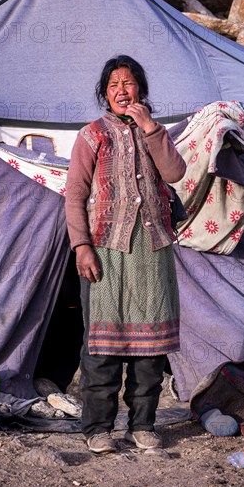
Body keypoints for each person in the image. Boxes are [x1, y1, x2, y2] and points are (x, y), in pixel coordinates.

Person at [65, 55, 186, 454]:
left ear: (140, 91)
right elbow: (76, 195)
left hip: (151, 252)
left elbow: (174, 174)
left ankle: (143, 425)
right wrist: (81, 245)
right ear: (104, 93)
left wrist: (151, 129)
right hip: (104, 248)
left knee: (149, 348)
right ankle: (98, 428)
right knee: (101, 346)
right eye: (114, 84)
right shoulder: (91, 135)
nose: (122, 90)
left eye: (129, 83)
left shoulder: (157, 133)